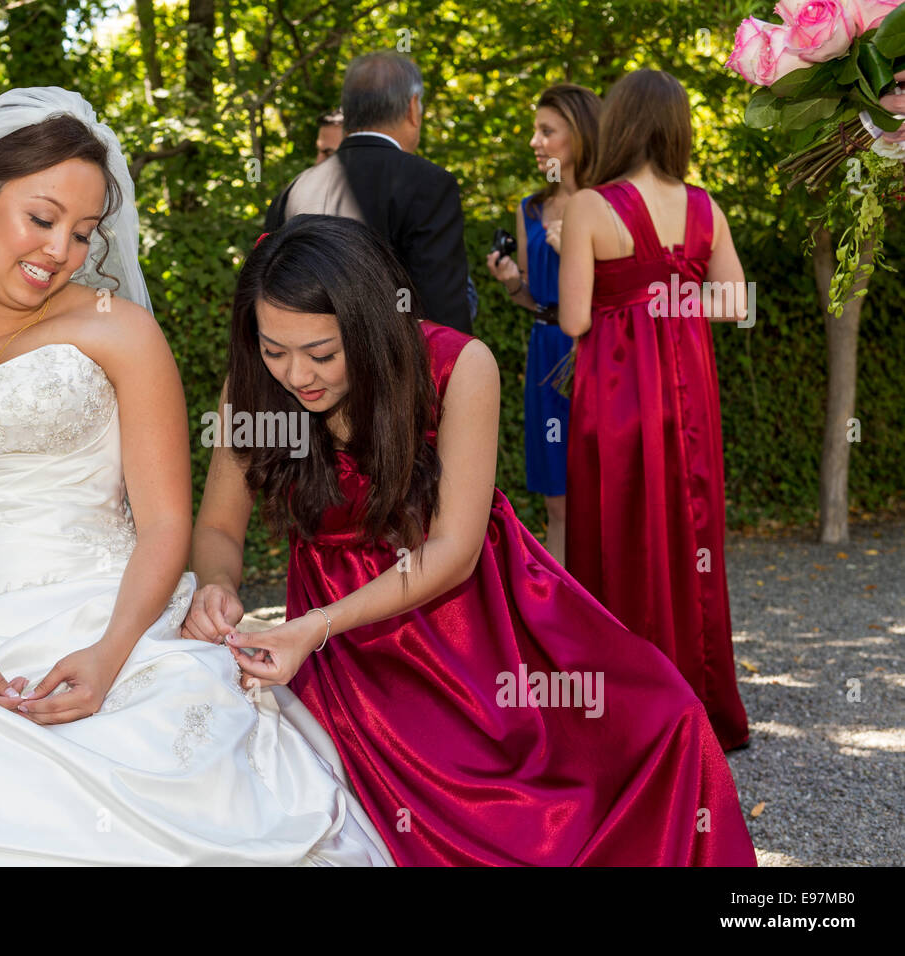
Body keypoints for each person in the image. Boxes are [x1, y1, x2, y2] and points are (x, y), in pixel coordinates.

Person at [0, 88, 391, 866]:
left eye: (83, 232)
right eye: (43, 217)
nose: (60, 249)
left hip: (118, 614)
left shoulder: (121, 332)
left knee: (183, 777)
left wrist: (108, 657)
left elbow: (167, 526)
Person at [185, 212, 757, 866]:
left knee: (662, 724)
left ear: (371, 323)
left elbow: (453, 550)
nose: (296, 374)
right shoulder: (256, 388)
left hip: (475, 618)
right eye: (273, 349)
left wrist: (311, 626)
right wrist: (218, 586)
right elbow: (219, 527)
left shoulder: (459, 365)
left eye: (321, 353)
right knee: (427, 819)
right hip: (345, 646)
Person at [558, 69, 750, 752]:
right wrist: (672, 299)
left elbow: (575, 317)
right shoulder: (705, 206)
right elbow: (735, 303)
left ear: (618, 123)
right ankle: (700, 706)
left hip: (615, 396)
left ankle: (628, 715)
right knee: (688, 533)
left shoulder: (588, 207)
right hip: (687, 393)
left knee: (618, 535)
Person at [263, 51, 475, 334]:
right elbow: (442, 315)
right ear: (412, 108)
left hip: (303, 371)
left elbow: (266, 298)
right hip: (394, 372)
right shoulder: (429, 184)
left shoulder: (292, 191)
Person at [486, 84, 601, 564]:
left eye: (546, 131)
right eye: (535, 131)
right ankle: (566, 614)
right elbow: (535, 299)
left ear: (579, 135)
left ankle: (616, 609)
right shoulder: (529, 210)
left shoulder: (610, 202)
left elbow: (626, 292)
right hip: (547, 350)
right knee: (557, 496)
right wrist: (513, 282)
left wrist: (574, 252)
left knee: (603, 489)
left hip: (599, 349)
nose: (534, 142)